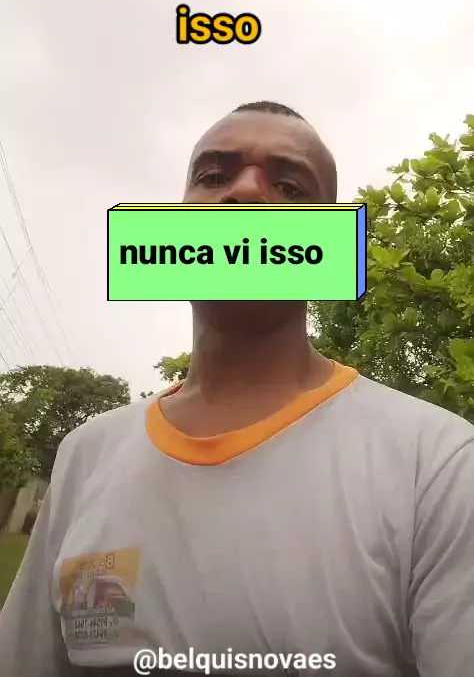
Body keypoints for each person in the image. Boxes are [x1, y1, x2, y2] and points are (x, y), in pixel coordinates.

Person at [0, 101, 473, 677]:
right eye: (213, 175)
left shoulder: (438, 462)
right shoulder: (87, 454)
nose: (245, 192)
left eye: (290, 186)